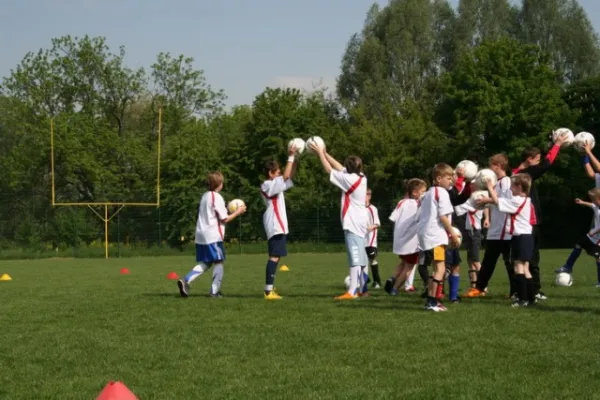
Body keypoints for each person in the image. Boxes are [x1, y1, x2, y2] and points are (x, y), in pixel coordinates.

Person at [511, 133, 568, 300]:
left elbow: (542, 162)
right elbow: (547, 163)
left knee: (524, 260)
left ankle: (526, 291)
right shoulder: (524, 174)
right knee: (529, 260)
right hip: (527, 223)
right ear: (529, 160)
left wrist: (551, 141)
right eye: (536, 159)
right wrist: (556, 145)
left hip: (522, 223)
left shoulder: (517, 174)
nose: (539, 161)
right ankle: (531, 291)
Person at [310, 142, 369, 300]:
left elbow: (330, 170)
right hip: (361, 222)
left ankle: (352, 292)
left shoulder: (348, 179)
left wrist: (320, 154)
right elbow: (339, 168)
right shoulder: (361, 177)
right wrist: (324, 152)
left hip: (353, 223)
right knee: (361, 258)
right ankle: (363, 289)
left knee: (354, 258)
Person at [177, 171, 246, 298]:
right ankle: (214, 292)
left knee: (207, 262)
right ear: (220, 184)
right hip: (213, 235)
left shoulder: (205, 196)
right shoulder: (217, 197)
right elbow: (224, 219)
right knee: (219, 261)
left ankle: (185, 280)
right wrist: (238, 212)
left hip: (201, 234)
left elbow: (214, 213)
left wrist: (227, 207)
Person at [478, 174, 536, 307]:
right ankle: (531, 298)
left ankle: (522, 299)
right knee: (525, 268)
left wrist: (489, 187)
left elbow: (497, 201)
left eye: (512, 186)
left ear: (519, 187)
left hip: (520, 237)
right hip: (527, 236)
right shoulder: (527, 200)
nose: (510, 189)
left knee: (518, 267)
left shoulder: (517, 200)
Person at [463, 153, 515, 298]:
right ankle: (479, 288)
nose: (490, 168)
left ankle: (515, 291)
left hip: (505, 230)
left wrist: (488, 199)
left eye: (492, 165)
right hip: (495, 229)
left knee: (509, 263)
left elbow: (505, 201)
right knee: (488, 262)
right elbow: (495, 202)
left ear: (499, 166)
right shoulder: (496, 183)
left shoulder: (506, 181)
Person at [556, 143, 600, 286]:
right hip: (595, 229)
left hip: (597, 232)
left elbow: (598, 168)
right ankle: (568, 266)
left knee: (598, 256)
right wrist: (584, 157)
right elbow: (591, 174)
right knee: (582, 246)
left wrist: (588, 151)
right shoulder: (596, 204)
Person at [418, 164, 461, 312]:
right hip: (435, 235)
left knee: (436, 269)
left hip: (427, 234)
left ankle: (431, 300)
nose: (451, 181)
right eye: (449, 178)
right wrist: (453, 234)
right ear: (438, 178)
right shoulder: (441, 193)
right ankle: (432, 302)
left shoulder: (429, 192)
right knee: (440, 269)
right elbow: (443, 216)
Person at [260, 144, 299, 300]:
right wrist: (290, 156)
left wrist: (295, 160)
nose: (280, 174)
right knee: (274, 256)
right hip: (275, 225)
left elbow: (289, 177)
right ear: (271, 173)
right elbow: (285, 177)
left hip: (278, 225)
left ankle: (270, 288)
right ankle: (268, 291)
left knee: (276, 256)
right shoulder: (268, 184)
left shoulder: (274, 184)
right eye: (277, 172)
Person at [384, 178, 427, 296]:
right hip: (411, 241)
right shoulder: (419, 204)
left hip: (399, 240)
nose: (425, 194)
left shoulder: (401, 202)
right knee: (409, 267)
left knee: (402, 263)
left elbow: (392, 218)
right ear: (414, 192)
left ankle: (392, 278)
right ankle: (395, 288)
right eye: (423, 192)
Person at [556, 188, 600, 285]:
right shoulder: (597, 206)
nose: (592, 202)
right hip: (592, 236)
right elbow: (592, 206)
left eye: (594, 199)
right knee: (578, 244)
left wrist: (595, 232)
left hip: (597, 239)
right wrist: (582, 202)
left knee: (598, 258)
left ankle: (599, 282)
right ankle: (568, 266)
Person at [365, 188, 382, 289]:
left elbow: (377, 223)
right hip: (361, 239)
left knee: (372, 259)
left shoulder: (373, 209)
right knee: (361, 260)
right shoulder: (358, 209)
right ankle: (365, 278)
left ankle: (377, 281)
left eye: (366, 195)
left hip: (370, 239)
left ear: (369, 196)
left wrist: (368, 228)